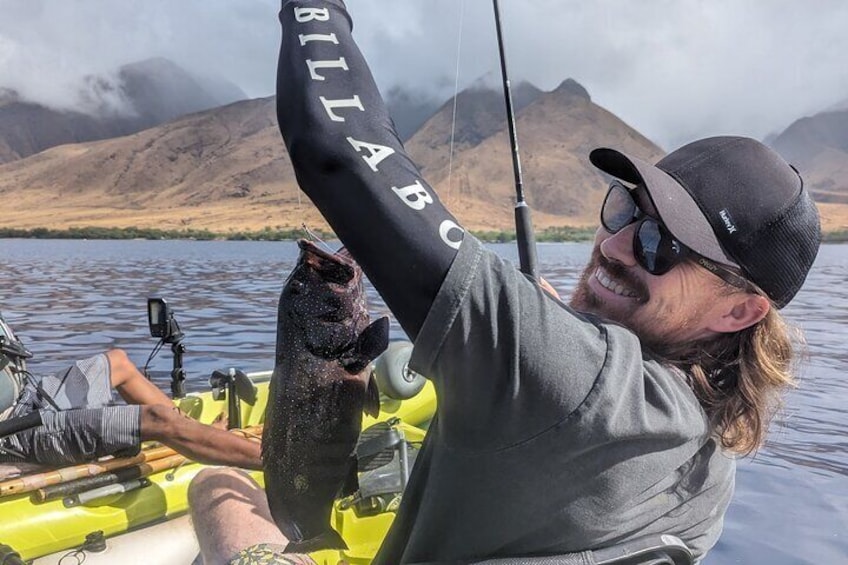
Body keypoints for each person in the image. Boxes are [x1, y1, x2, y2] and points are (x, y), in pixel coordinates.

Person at [189, 1, 822, 563]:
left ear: (740, 311)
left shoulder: (581, 383)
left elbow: (338, 151)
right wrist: (554, 338)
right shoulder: (708, 462)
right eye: (627, 209)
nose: (617, 245)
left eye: (663, 246)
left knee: (215, 490)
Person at [0, 312, 262, 470]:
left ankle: (195, 434)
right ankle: (288, 468)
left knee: (118, 361)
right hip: (15, 432)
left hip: (28, 399)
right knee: (157, 418)